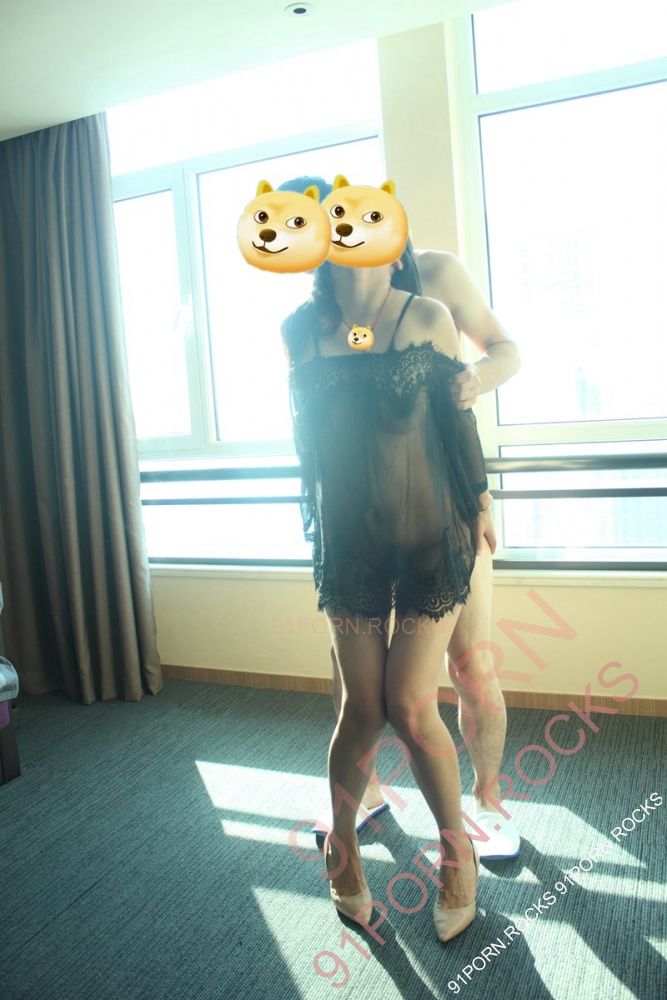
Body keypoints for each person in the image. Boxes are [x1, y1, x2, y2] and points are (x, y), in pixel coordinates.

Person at [278, 176, 512, 942]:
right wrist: (317, 531)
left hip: (428, 539)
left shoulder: (428, 308)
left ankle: (457, 857)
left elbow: (456, 424)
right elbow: (309, 443)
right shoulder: (299, 328)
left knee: (413, 706)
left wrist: (478, 504)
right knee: (361, 707)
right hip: (350, 545)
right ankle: (342, 854)